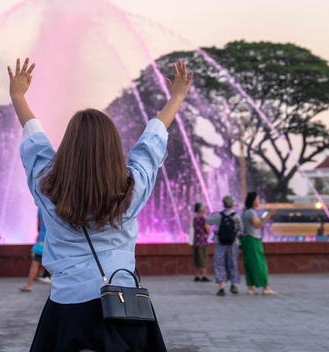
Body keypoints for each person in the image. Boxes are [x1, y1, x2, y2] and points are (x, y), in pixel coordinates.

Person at [11, 57, 191, 351]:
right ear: (113, 149)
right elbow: (151, 145)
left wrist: (18, 96)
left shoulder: (48, 188)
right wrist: (178, 97)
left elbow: (36, 145)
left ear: (68, 147)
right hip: (123, 306)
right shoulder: (130, 191)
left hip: (66, 306)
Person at [241, 192, 277, 296]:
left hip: (247, 240)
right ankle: (266, 287)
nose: (259, 201)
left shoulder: (246, 212)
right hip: (253, 240)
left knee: (250, 264)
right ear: (253, 201)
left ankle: (251, 288)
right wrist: (269, 215)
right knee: (260, 264)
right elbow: (258, 225)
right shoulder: (251, 213)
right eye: (258, 199)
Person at [207, 195, 242, 296]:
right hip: (233, 243)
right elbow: (241, 229)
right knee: (232, 263)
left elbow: (208, 221)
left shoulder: (219, 216)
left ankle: (221, 287)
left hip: (220, 242)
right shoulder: (236, 216)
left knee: (220, 263)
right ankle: (234, 285)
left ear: (223, 204)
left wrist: (215, 214)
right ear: (232, 204)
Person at [20, 209, 49, 292]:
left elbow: (38, 226)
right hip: (53, 239)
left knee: (35, 263)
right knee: (55, 264)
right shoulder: (56, 203)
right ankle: (54, 288)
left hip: (42, 239)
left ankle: (29, 285)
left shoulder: (41, 208)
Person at [192, 202, 210, 282]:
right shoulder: (203, 219)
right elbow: (207, 230)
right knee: (203, 259)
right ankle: (203, 275)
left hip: (196, 241)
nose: (205, 209)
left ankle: (196, 275)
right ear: (201, 210)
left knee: (197, 259)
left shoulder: (195, 219)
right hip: (202, 242)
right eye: (203, 208)